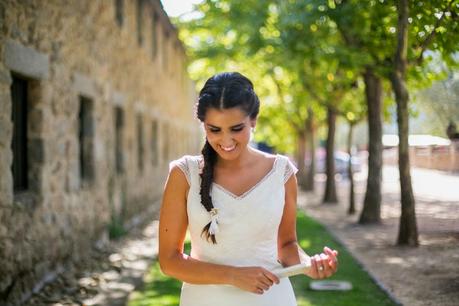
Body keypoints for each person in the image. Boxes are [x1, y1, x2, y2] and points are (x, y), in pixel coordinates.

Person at [159, 72, 339, 306]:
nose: (226, 140)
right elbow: (169, 261)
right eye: (215, 130)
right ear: (203, 125)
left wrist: (308, 266)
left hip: (271, 299)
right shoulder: (184, 174)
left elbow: (286, 246)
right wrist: (232, 275)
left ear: (253, 120)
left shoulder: (281, 173)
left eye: (236, 128)